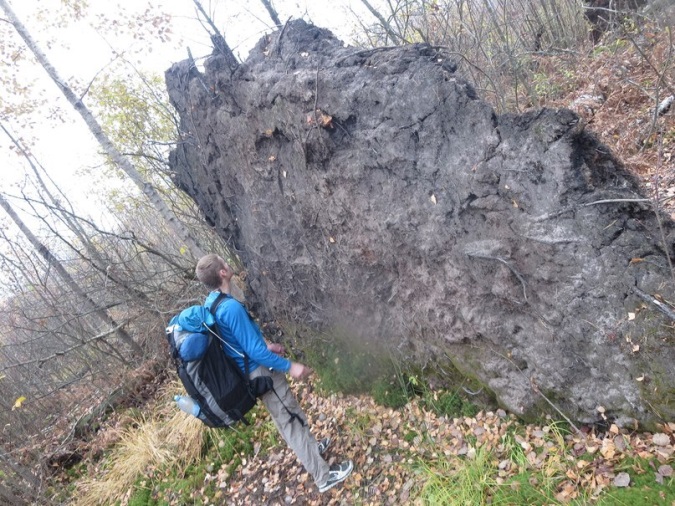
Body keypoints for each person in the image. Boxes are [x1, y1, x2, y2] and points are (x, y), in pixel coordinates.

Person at [195, 254, 353, 493]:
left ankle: (312, 449)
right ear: (223, 274)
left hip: (248, 369)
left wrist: (263, 347)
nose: (227, 263)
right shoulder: (229, 308)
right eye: (223, 262)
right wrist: (290, 366)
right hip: (260, 373)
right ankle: (323, 476)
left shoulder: (212, 304)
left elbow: (235, 344)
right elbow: (254, 351)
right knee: (289, 422)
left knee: (290, 413)